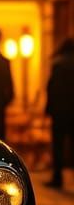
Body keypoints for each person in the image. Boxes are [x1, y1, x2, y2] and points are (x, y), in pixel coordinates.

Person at [45, 37, 74, 188]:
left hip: (60, 111)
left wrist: (49, 108)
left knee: (58, 145)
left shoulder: (59, 64)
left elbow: (52, 89)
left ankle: (58, 177)